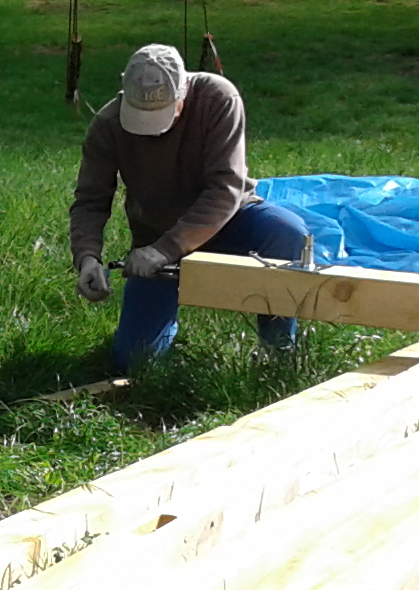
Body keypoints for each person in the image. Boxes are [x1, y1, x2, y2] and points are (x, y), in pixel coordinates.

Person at [69, 43, 309, 369]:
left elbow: (225, 188)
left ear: (183, 91)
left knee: (287, 231)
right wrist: (87, 258)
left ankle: (278, 352)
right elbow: (90, 201)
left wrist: (165, 249)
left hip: (229, 222)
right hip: (157, 238)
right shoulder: (107, 124)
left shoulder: (218, 98)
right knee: (135, 363)